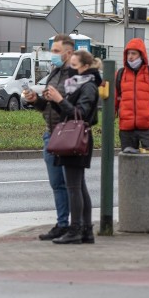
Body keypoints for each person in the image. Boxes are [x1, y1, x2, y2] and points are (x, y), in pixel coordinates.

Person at [25, 40, 100, 245]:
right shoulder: (66, 78)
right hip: (59, 133)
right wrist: (38, 101)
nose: (53, 54)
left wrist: (58, 99)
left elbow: (81, 114)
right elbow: (57, 108)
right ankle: (78, 229)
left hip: (73, 137)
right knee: (69, 185)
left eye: (57, 51)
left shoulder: (85, 84)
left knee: (74, 186)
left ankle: (76, 229)